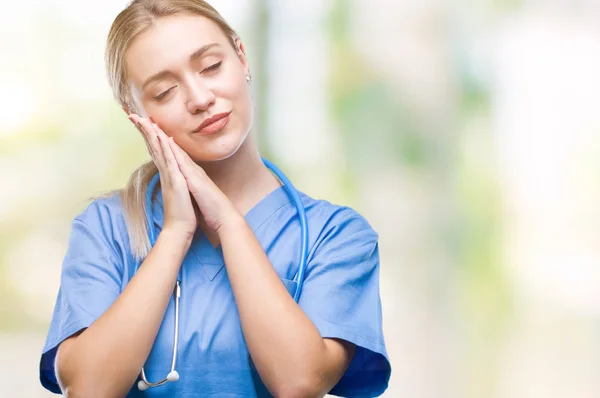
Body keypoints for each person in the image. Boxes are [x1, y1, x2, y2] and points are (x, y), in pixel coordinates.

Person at [38, 0, 391, 396]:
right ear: (135, 114)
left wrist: (227, 222)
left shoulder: (336, 235)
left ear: (241, 58)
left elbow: (299, 382)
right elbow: (88, 388)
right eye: (164, 90)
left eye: (210, 67)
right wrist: (174, 233)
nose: (199, 97)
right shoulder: (106, 228)